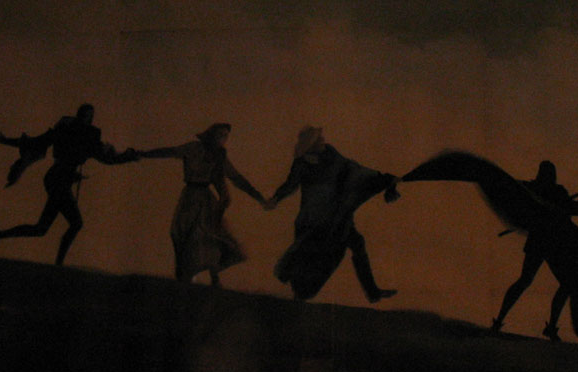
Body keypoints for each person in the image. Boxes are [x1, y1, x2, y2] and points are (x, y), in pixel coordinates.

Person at [0, 103, 137, 265]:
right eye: (86, 115)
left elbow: (42, 142)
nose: (87, 119)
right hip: (59, 180)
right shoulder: (79, 133)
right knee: (75, 223)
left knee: (41, 228)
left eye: (88, 116)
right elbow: (104, 157)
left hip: (57, 179)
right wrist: (126, 157)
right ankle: (58, 264)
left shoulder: (71, 130)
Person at [264, 126, 400, 303]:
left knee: (357, 243)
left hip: (338, 216)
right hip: (312, 220)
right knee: (306, 258)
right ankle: (299, 294)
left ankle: (373, 293)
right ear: (310, 145)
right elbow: (290, 185)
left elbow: (353, 169)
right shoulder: (301, 164)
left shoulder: (331, 155)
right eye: (318, 139)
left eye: (321, 137)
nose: (323, 140)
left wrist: (383, 178)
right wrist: (276, 198)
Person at [136, 123, 267, 286]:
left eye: (225, 136)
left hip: (205, 198)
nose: (223, 139)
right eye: (220, 134)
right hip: (190, 196)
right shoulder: (194, 148)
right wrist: (143, 154)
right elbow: (171, 151)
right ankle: (187, 275)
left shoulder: (220, 156)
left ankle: (214, 276)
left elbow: (236, 177)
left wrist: (258, 197)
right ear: (211, 134)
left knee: (209, 234)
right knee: (181, 233)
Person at [491, 160, 578, 340]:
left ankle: (548, 326)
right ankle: (501, 321)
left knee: (560, 283)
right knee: (530, 281)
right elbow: (576, 209)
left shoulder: (550, 191)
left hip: (551, 243)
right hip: (544, 242)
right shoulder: (537, 189)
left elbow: (576, 210)